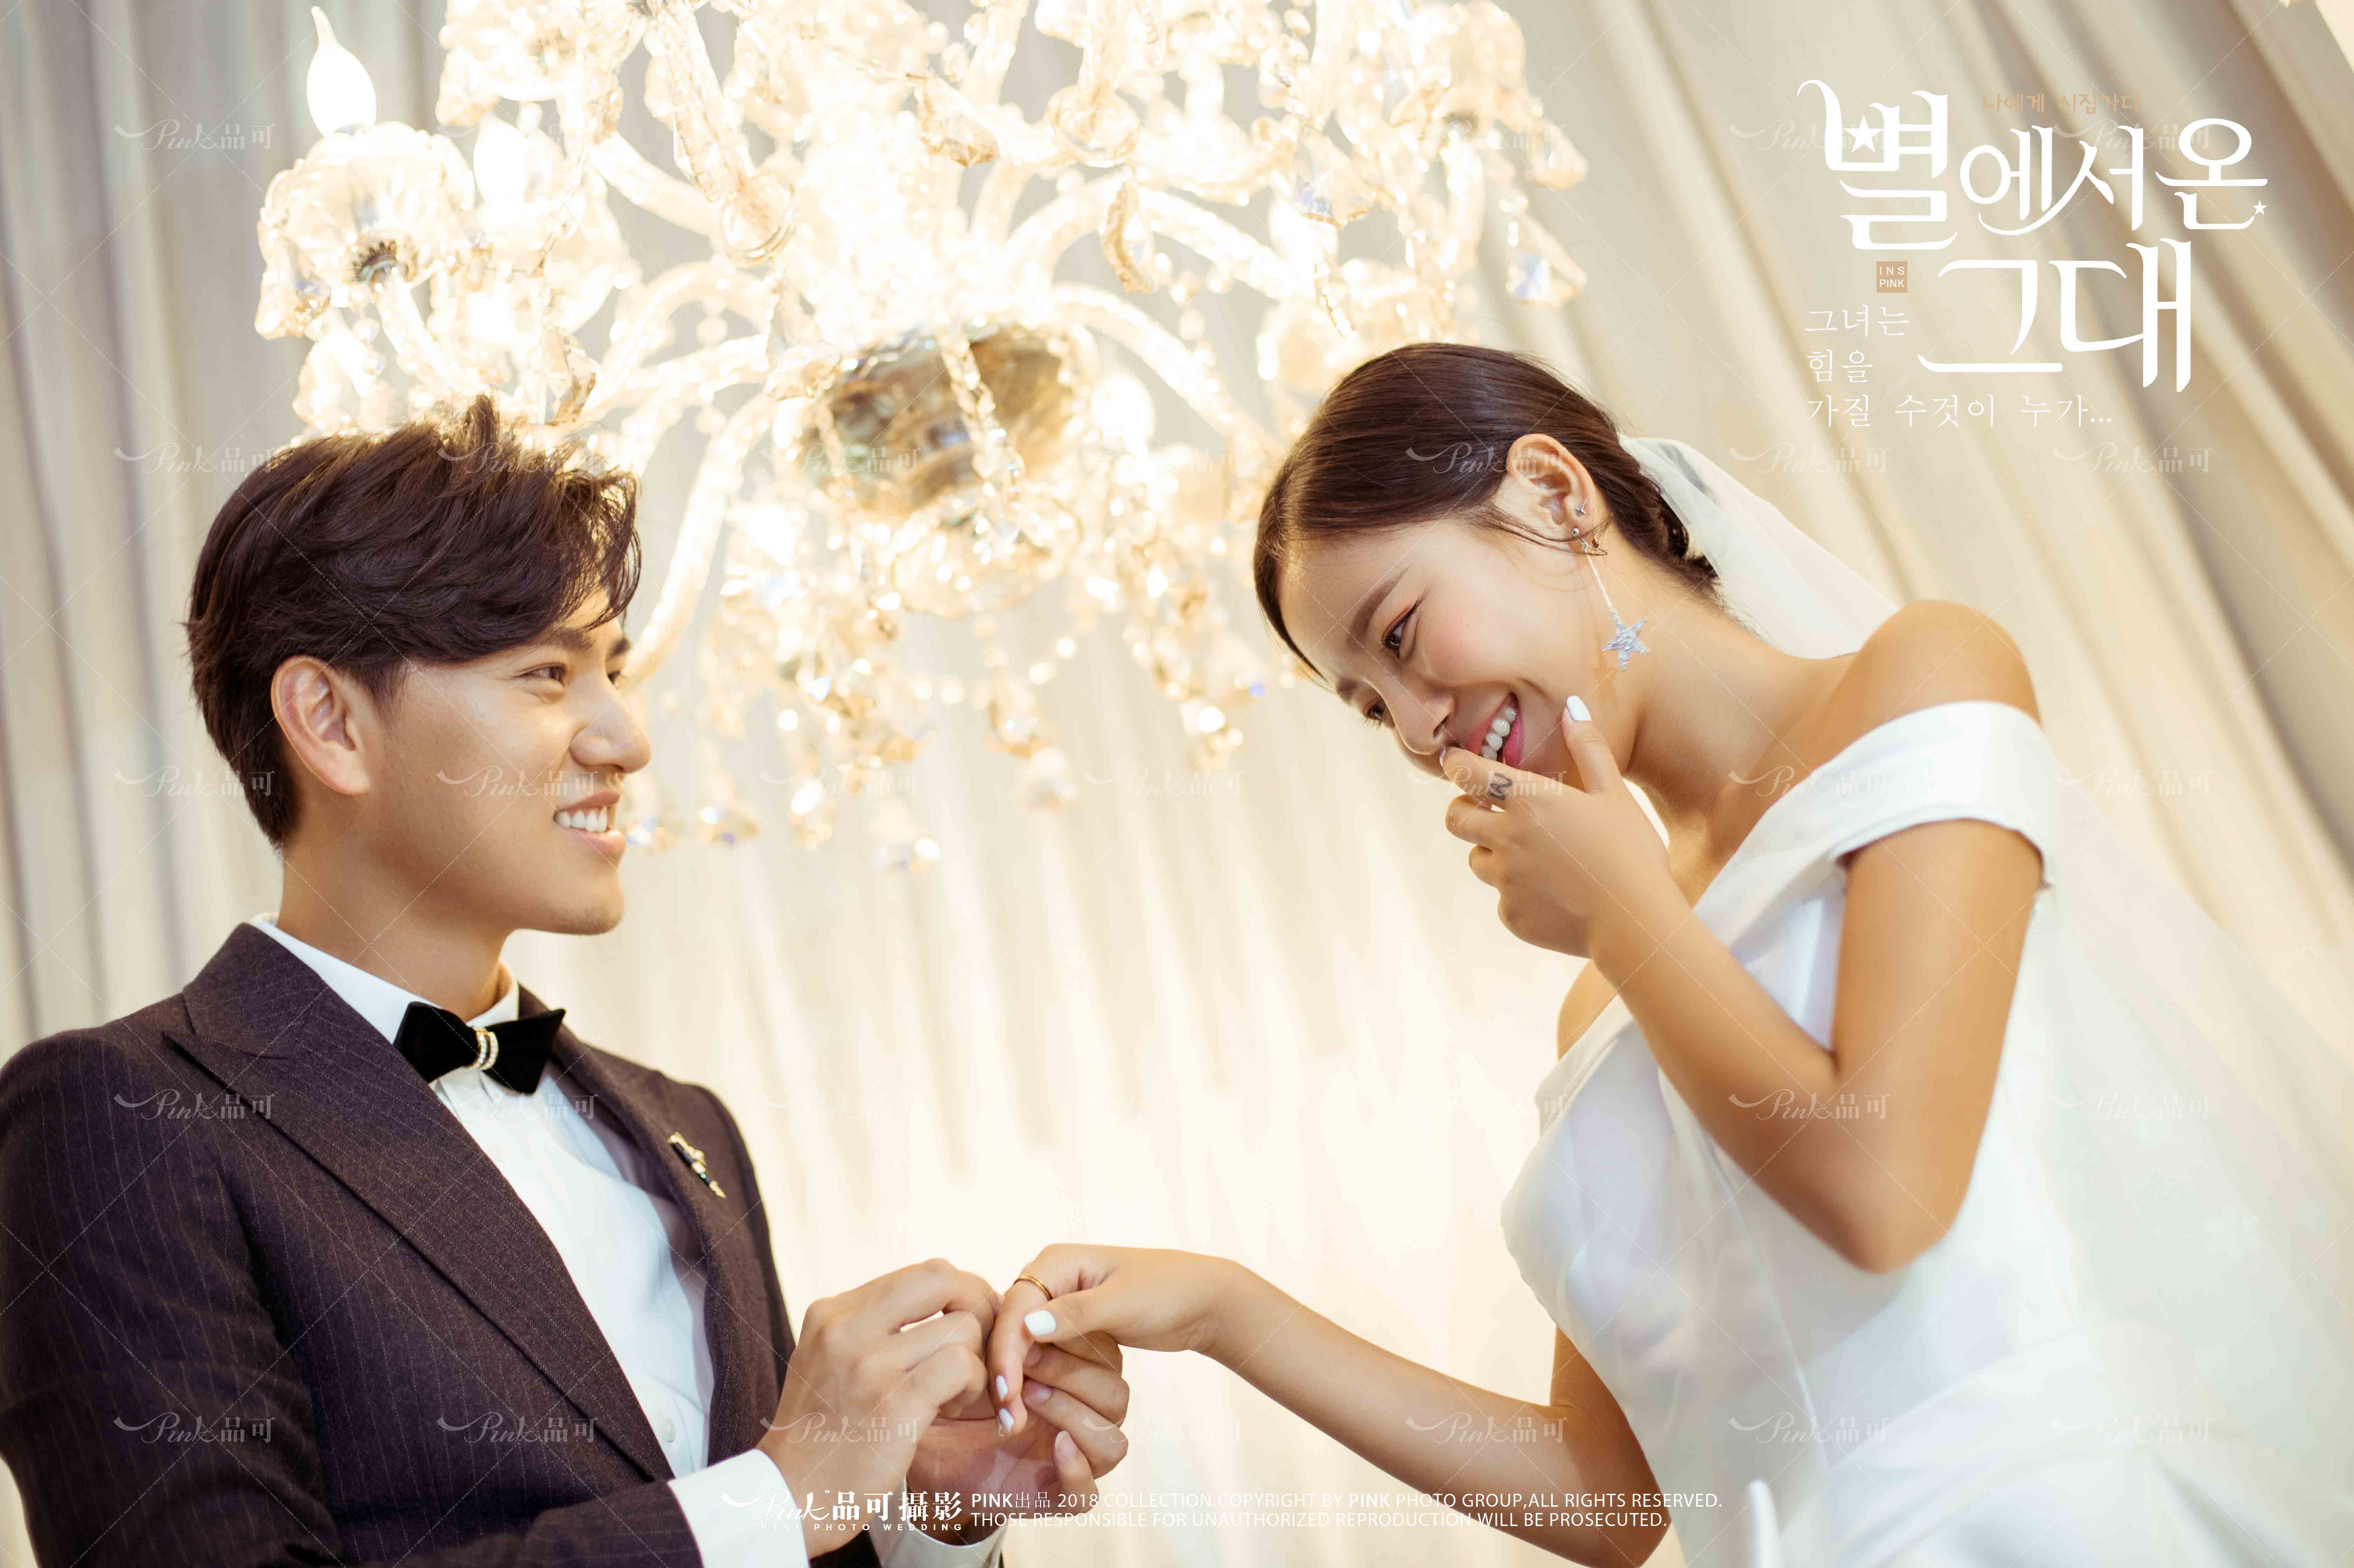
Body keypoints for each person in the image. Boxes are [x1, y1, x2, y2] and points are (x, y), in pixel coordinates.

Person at [978, 342, 2354, 1566]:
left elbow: (1886, 1193)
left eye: (1402, 636)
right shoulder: (1596, 998)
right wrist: (1230, 1315)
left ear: (1554, 494)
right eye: (1371, 705)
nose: (1418, 729)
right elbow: (1611, 1500)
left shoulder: (1919, 677)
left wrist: (1625, 912)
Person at [0, 394, 1129, 1568]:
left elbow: (758, 1530)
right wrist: (780, 1497)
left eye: (616, 671)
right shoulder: (118, 1114)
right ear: (330, 722)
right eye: (547, 673)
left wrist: (915, 1512)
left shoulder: (689, 1126)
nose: (627, 740)